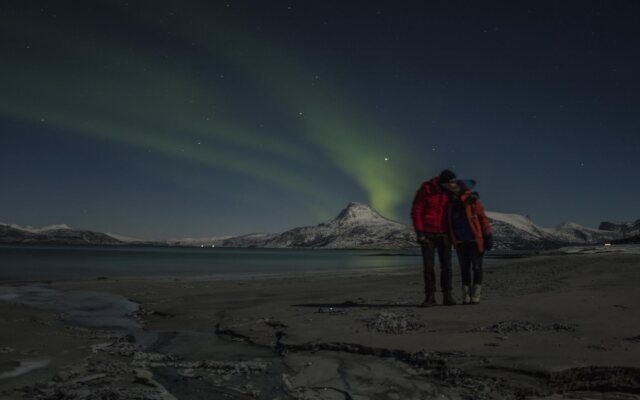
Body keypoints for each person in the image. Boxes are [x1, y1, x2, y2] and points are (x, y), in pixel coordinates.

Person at [411, 169, 458, 307]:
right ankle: (430, 296)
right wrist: (420, 232)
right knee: (428, 267)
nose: (454, 185)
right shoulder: (426, 189)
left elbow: (465, 197)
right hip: (428, 234)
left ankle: (447, 296)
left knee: (447, 266)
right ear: (444, 182)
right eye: (451, 182)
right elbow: (416, 210)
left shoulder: (451, 192)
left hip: (444, 234)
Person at [446, 180, 493, 304]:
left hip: (474, 241)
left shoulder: (473, 201)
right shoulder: (450, 205)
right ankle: (466, 295)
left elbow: (483, 218)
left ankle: (476, 295)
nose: (453, 188)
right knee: (464, 269)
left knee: (477, 268)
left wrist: (488, 235)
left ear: (461, 188)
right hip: (460, 242)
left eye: (455, 187)